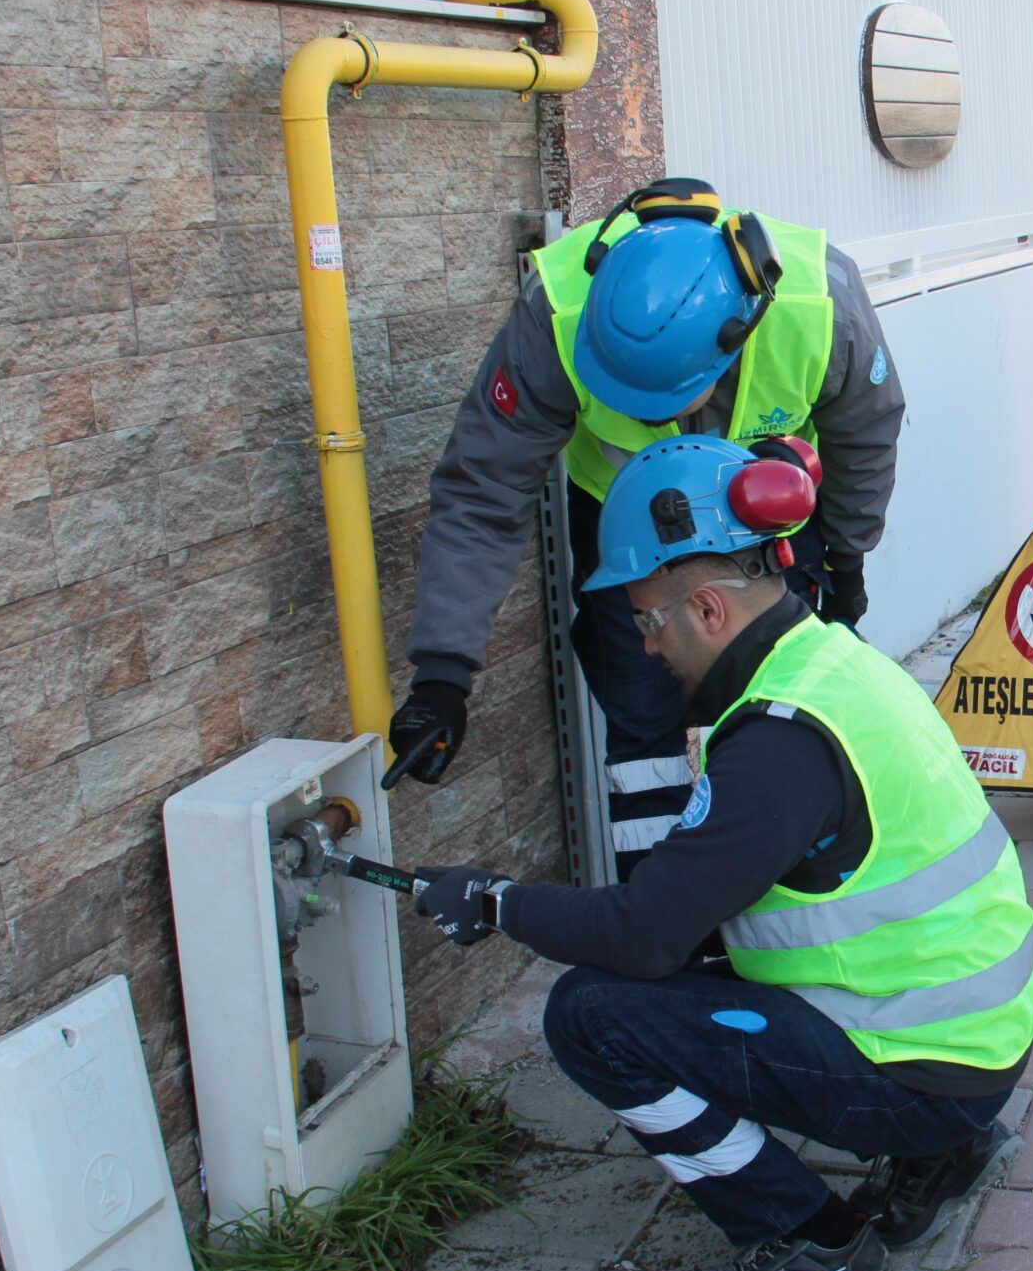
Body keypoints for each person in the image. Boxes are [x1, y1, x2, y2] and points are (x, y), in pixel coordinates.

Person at [411, 435, 1033, 1271]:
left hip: (928, 1067)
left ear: (707, 607)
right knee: (687, 959)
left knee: (590, 1014)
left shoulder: (779, 741)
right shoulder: (831, 660)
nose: (645, 645)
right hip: (972, 1037)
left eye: (647, 621)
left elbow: (642, 932)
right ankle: (944, 1148)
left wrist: (497, 900)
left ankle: (815, 1243)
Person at [385, 178, 906, 873]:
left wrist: (846, 562)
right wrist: (442, 674)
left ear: (733, 342)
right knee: (644, 726)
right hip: (629, 538)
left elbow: (865, 435)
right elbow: (483, 490)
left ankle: (784, 886)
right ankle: (662, 912)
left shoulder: (822, 302)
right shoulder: (555, 316)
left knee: (783, 707)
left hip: (766, 512)